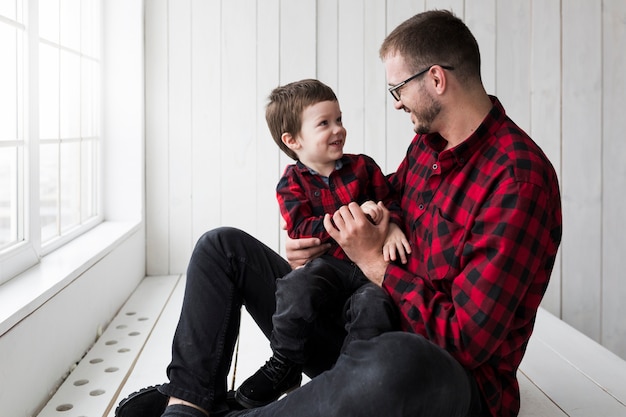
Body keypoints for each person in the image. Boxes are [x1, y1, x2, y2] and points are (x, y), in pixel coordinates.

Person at [115, 9, 562, 417]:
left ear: (437, 80)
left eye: (398, 88)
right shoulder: (428, 147)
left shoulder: (518, 180)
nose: (397, 102)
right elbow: (383, 208)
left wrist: (374, 263)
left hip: (440, 377)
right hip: (359, 335)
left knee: (394, 363)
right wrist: (320, 244)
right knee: (221, 247)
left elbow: (467, 341)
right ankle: (189, 401)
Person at [234, 78, 410, 409]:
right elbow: (301, 229)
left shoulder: (363, 167)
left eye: (339, 119)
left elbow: (391, 202)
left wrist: (394, 226)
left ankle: (348, 380)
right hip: (328, 267)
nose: (338, 129)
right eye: (324, 124)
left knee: (374, 306)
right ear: (293, 140)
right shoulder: (291, 182)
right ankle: (285, 361)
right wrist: (355, 214)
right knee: (295, 285)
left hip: (369, 270)